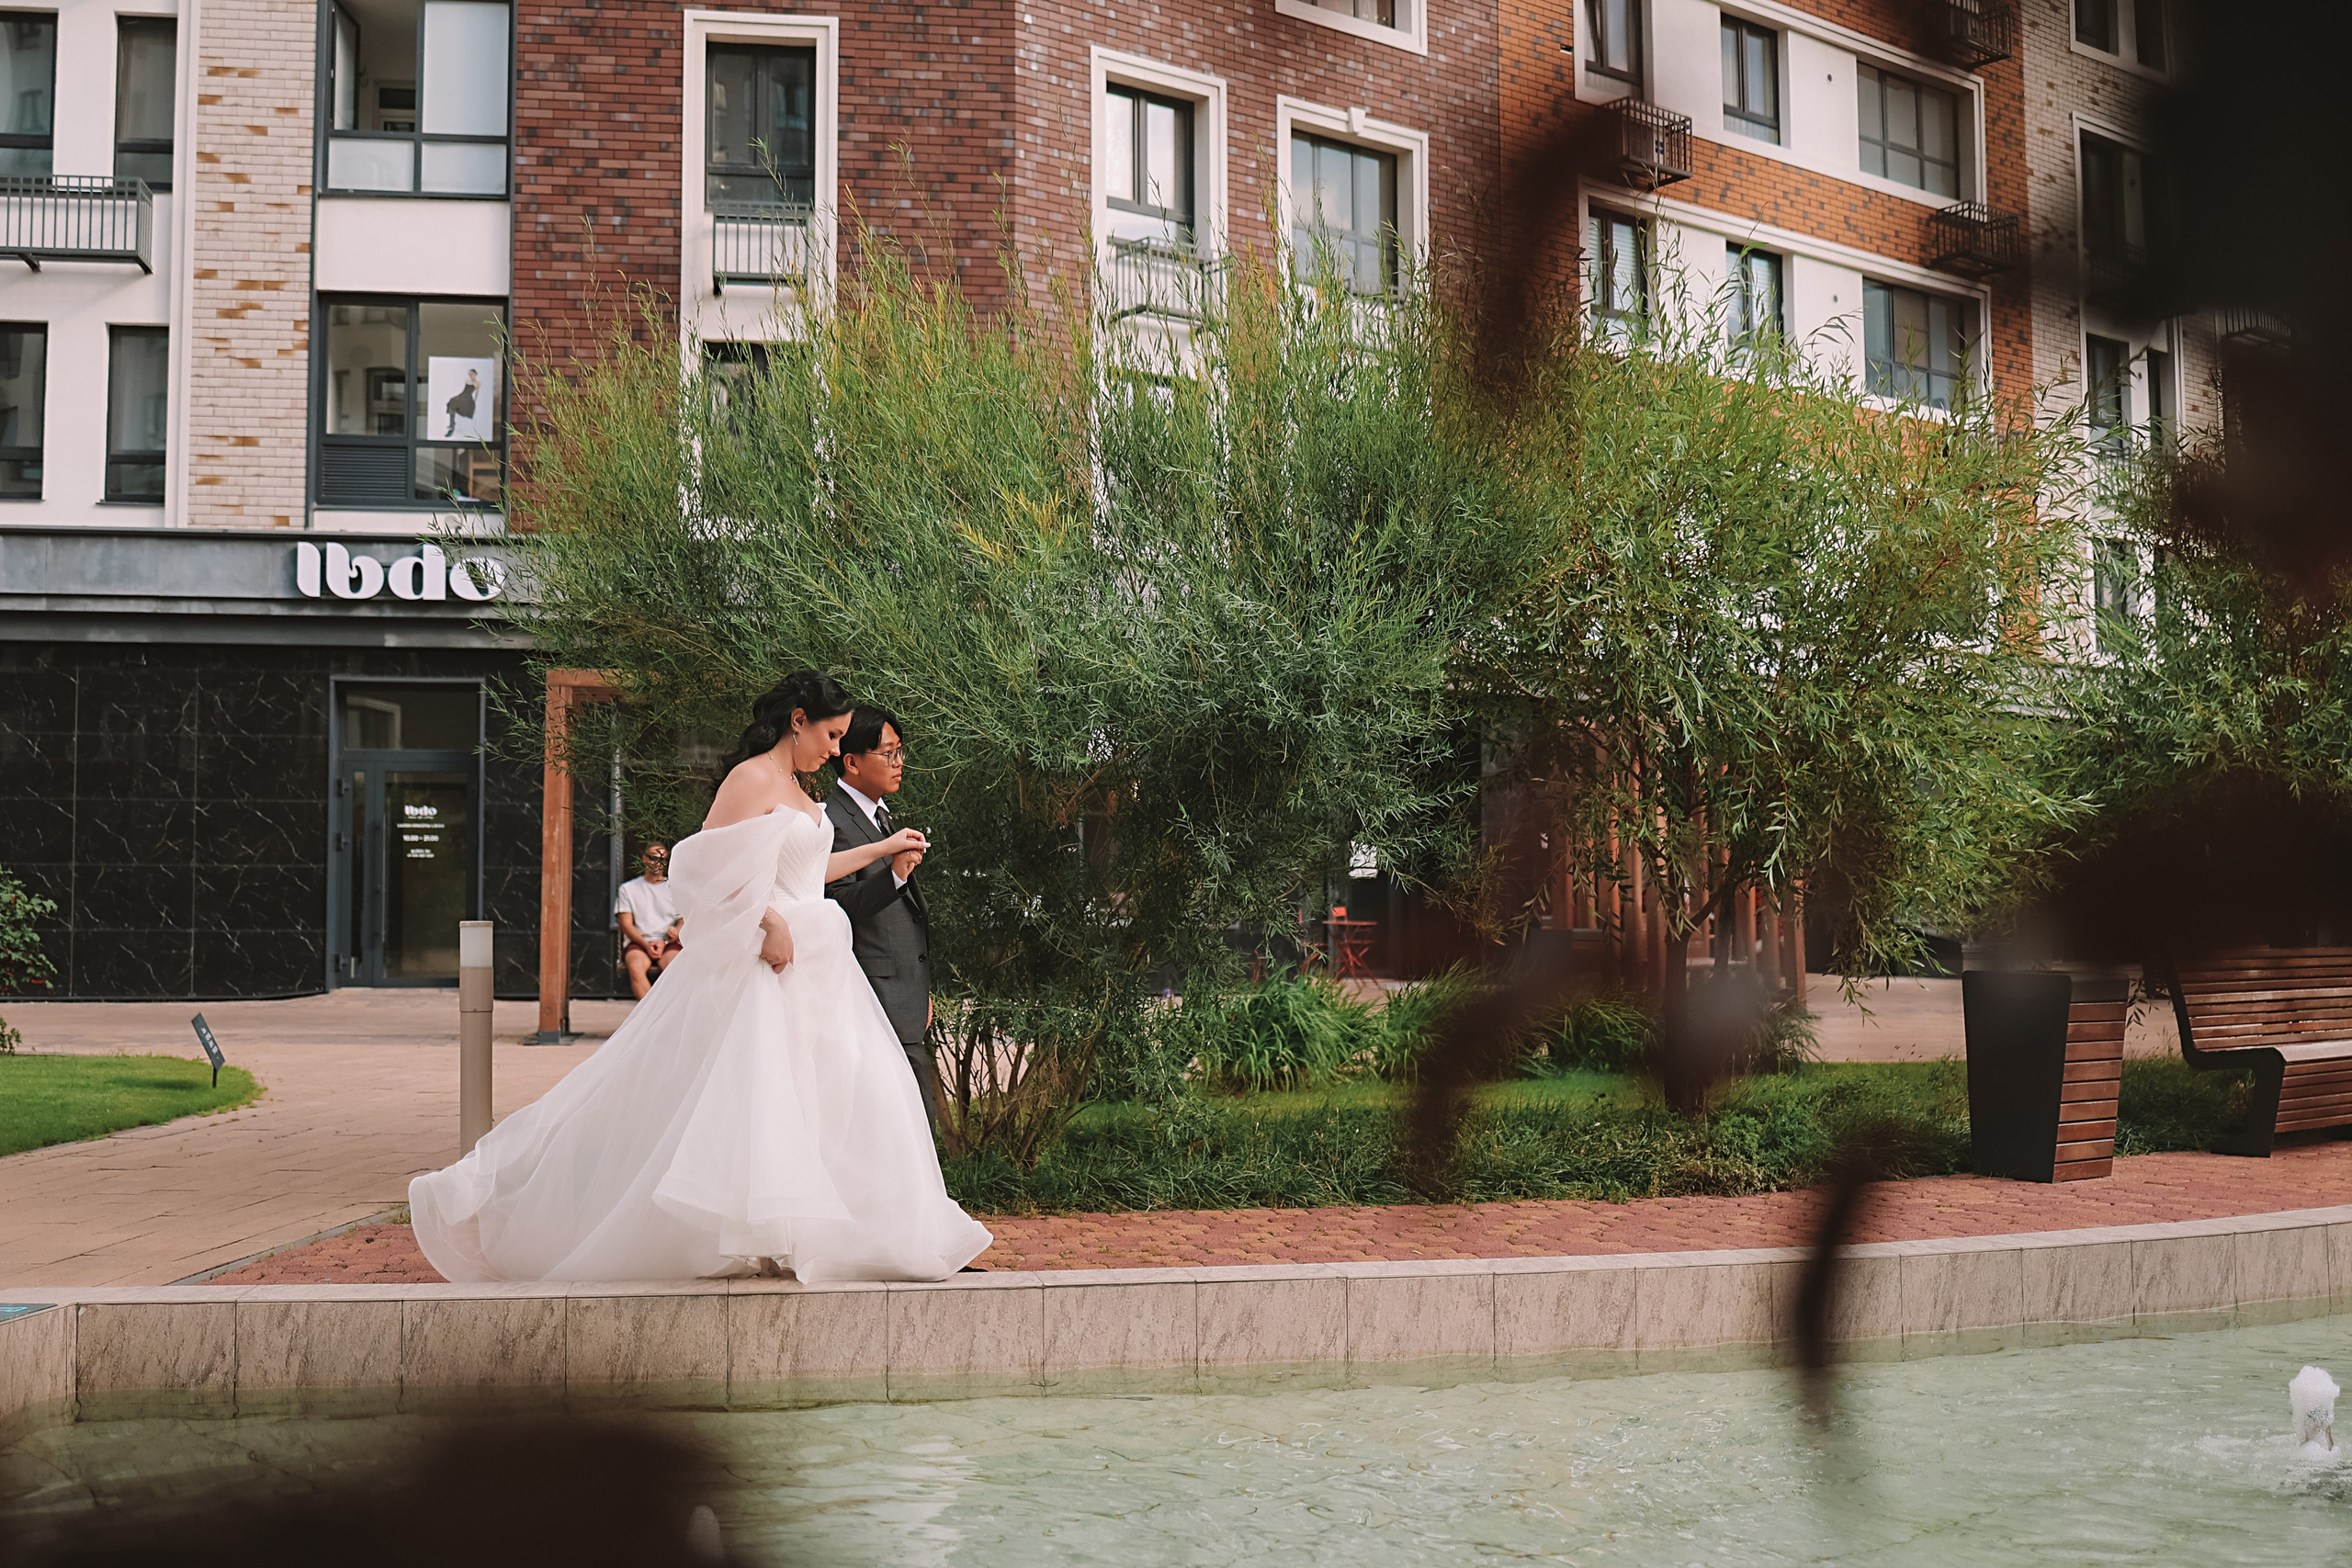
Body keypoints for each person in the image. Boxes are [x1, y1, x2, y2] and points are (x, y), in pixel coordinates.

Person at [407, 671, 992, 1283]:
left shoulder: (796, 785)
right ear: (798, 719)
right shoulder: (753, 778)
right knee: (769, 1099)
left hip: (822, 973)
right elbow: (702, 869)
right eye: (830, 734)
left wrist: (880, 849)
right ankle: (507, 1190)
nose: (833, 749)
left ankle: (824, 1235)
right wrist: (768, 923)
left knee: (840, 1096)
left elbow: (810, 869)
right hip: (773, 969)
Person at [823, 707, 940, 1126]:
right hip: (871, 991)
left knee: (907, 1127)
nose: (899, 763)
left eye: (900, 751)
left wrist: (918, 987)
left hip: (903, 991)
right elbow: (836, 908)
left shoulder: (879, 814)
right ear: (851, 762)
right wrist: (894, 874)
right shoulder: (832, 822)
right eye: (887, 753)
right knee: (899, 1125)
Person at [614, 843, 681, 1000]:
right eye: (654, 858)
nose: (658, 864)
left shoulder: (674, 887)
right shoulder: (628, 889)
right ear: (644, 859)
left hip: (667, 942)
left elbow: (682, 921)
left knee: (675, 969)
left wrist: (674, 932)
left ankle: (666, 1016)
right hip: (639, 942)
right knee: (636, 967)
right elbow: (626, 924)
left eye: (663, 860)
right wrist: (646, 945)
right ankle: (647, 1019)